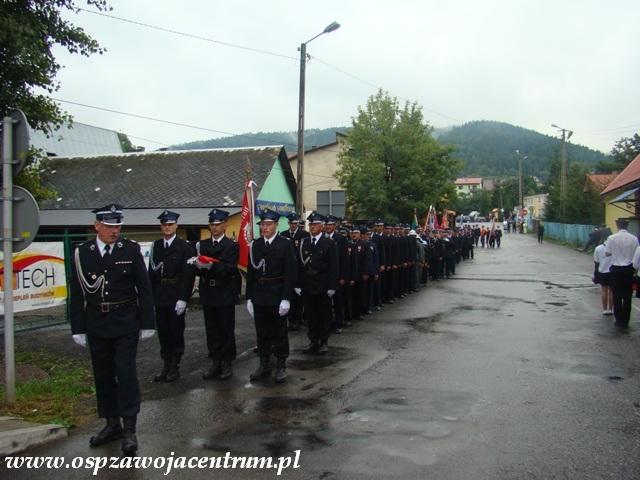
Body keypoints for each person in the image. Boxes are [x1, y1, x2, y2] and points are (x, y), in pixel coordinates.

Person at [70, 204, 155, 455]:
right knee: (103, 374)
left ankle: (130, 428)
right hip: (96, 322)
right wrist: (78, 327)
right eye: (109, 226)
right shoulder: (82, 253)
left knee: (125, 372)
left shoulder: (129, 249)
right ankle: (111, 424)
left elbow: (144, 287)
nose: (114, 231)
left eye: (118, 226)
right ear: (97, 226)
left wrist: (148, 321)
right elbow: (77, 293)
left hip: (126, 320)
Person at [246, 209, 297, 383]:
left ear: (276, 225)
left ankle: (281, 365)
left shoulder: (285, 244)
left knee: (279, 331)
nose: (264, 227)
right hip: (259, 294)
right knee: (262, 332)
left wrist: (286, 298)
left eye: (268, 224)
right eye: (262, 224)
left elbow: (290, 272)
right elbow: (251, 272)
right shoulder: (256, 245)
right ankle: (264, 363)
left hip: (277, 293)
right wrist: (249, 298)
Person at [190, 209, 239, 381]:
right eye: (212, 224)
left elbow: (229, 268)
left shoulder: (231, 246)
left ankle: (227, 362)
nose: (215, 228)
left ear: (225, 225)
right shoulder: (202, 245)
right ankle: (215, 361)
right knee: (212, 329)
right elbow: (196, 266)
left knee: (225, 328)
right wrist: (197, 265)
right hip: (208, 291)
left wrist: (210, 267)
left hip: (224, 291)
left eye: (218, 224)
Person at [148, 210, 195, 383]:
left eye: (170, 224)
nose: (167, 227)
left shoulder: (184, 247)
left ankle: (175, 365)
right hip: (160, 294)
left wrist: (183, 298)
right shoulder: (156, 246)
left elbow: (187, 275)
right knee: (163, 333)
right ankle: (166, 364)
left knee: (176, 332)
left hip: (175, 294)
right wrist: (151, 297)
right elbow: (151, 274)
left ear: (176, 225)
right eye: (164, 225)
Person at [297, 213, 339, 354]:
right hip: (308, 285)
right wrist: (298, 284)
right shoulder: (304, 242)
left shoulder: (329, 243)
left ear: (321, 226)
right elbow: (300, 265)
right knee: (310, 315)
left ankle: (324, 341)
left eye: (315, 225)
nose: (312, 227)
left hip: (323, 286)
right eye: (310, 225)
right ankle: (313, 340)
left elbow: (334, 267)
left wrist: (332, 286)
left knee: (324, 315)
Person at [605, 218, 639, 327]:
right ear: (627, 226)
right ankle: (626, 320)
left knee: (617, 295)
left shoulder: (611, 238)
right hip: (629, 269)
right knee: (628, 295)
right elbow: (636, 254)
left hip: (616, 269)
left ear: (617, 225)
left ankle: (618, 320)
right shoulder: (634, 238)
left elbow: (607, 253)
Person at [280, 212, 309, 331]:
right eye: (291, 223)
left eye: (295, 223)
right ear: (288, 223)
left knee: (299, 297)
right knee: (289, 295)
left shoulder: (304, 234)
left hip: (300, 269)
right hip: (287, 269)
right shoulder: (283, 234)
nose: (293, 226)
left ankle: (298, 318)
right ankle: (291, 319)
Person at [593, 239, 613, 315]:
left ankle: (604, 309)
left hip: (603, 271)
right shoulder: (614, 247)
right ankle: (611, 309)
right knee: (612, 291)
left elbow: (596, 261)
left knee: (604, 290)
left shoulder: (598, 248)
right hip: (613, 271)